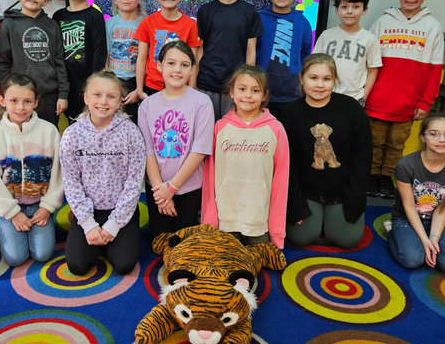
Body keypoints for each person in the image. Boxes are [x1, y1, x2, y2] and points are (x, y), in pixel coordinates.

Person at [364, 0, 444, 199]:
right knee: (374, 142)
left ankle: (386, 177)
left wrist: (425, 102)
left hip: (408, 104)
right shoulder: (382, 22)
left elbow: (434, 70)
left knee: (396, 144)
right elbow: (367, 63)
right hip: (377, 100)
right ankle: (371, 176)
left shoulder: (433, 27)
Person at [278, 53, 373, 249]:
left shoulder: (351, 109)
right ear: (301, 78)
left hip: (342, 191)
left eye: (326, 79)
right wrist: (294, 203)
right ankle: (317, 218)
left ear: (334, 80)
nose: (320, 85)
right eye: (313, 78)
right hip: (306, 191)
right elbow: (286, 164)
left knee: (348, 240)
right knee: (301, 238)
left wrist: (355, 197)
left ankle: (331, 218)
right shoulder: (289, 114)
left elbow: (362, 158)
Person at [60, 71, 146, 276]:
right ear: (86, 98)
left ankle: (115, 238)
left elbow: (135, 182)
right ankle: (95, 238)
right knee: (77, 266)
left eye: (111, 96)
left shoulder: (131, 132)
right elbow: (71, 182)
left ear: (119, 101)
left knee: (124, 264)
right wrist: (88, 224)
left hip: (121, 209)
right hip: (88, 210)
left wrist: (115, 223)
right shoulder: (72, 134)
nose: (103, 102)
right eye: (97, 95)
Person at [201, 65, 289, 249]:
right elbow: (210, 178)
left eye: (255, 90)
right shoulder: (220, 127)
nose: (248, 95)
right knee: (226, 257)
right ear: (232, 92)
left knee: (261, 259)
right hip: (226, 217)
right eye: (242, 89)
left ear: (264, 95)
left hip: (258, 218)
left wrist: (276, 233)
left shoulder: (276, 129)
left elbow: (281, 182)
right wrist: (209, 222)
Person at [0, 74, 63, 267]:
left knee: (43, 254)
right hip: (9, 206)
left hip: (40, 205)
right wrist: (12, 213)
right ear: (2, 101)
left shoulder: (49, 131)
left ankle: (40, 222)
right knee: (15, 258)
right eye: (14, 101)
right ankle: (7, 226)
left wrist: (47, 207)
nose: (21, 107)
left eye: (27, 101)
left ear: (36, 102)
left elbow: (58, 173)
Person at [137, 42, 214, 245]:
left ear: (192, 69)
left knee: (184, 244)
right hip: (157, 187)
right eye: (171, 63)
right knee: (159, 243)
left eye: (184, 65)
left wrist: (172, 187)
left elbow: (199, 150)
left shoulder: (202, 102)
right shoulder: (146, 106)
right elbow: (148, 151)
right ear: (159, 66)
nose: (177, 70)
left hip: (188, 187)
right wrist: (160, 191)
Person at [387, 112, 445, 274]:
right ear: (423, 137)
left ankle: (424, 242)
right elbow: (409, 207)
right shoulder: (406, 165)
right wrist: (425, 240)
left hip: (436, 221)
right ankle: (391, 230)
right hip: (406, 218)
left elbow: (442, 210)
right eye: (434, 134)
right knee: (413, 260)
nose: (442, 139)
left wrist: (434, 239)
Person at [0, 0, 69, 128]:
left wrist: (63, 94)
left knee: (47, 136)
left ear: (46, 0)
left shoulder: (52, 25)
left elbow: (59, 61)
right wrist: (6, 94)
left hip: (49, 95)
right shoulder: (8, 25)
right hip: (19, 97)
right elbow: (3, 63)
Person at [195, 0, 264, 121]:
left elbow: (250, 52)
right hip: (207, 82)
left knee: (232, 128)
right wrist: (193, 82)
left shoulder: (250, 12)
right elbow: (199, 50)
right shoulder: (205, 11)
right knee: (206, 128)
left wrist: (247, 84)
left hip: (236, 84)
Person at [53, 0, 107, 124]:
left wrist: (93, 86)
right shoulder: (57, 16)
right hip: (64, 84)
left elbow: (99, 53)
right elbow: (55, 53)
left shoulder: (95, 15)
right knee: (71, 124)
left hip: (87, 84)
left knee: (89, 124)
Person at [134, 0, 202, 98]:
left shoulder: (190, 24)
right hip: (152, 86)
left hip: (180, 85)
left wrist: (192, 89)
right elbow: (141, 58)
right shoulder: (147, 22)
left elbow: (193, 60)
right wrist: (139, 89)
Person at [254, 0, 313, 111]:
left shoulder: (303, 23)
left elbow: (305, 56)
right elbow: (250, 52)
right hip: (261, 91)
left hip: (291, 93)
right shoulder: (258, 19)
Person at [312, 0, 382, 105]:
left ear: (364, 10)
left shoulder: (370, 39)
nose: (349, 11)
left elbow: (373, 70)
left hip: (355, 98)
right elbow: (315, 65)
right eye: (344, 7)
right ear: (337, 10)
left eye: (356, 7)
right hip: (326, 95)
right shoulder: (326, 35)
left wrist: (363, 97)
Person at [105, 0, 146, 123]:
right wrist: (110, 82)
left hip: (136, 81)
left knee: (134, 122)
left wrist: (138, 90)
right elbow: (106, 55)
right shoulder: (109, 24)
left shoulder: (145, 24)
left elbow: (146, 59)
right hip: (115, 79)